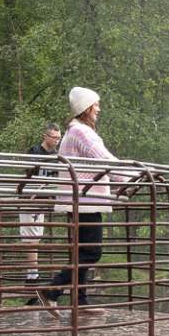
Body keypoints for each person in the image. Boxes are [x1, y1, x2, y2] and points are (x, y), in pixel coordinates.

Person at [40, 87, 128, 319]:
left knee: (82, 252)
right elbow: (105, 160)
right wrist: (131, 178)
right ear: (87, 108)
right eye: (96, 105)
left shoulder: (73, 133)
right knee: (92, 252)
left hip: (80, 200)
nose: (99, 109)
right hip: (86, 200)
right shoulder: (82, 133)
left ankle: (80, 300)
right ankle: (52, 290)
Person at [19, 124, 63, 292]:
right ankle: (32, 276)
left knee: (36, 235)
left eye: (59, 138)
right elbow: (29, 173)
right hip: (31, 197)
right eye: (54, 137)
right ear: (45, 136)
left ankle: (33, 275)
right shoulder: (35, 151)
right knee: (31, 236)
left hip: (44, 199)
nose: (57, 141)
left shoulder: (57, 155)